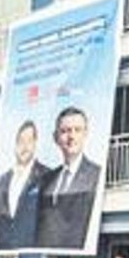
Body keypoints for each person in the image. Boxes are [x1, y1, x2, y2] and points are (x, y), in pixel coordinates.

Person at [35, 107, 102, 250]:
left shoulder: (97, 175)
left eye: (77, 130)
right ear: (56, 137)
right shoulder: (46, 179)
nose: (71, 137)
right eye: (65, 131)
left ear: (85, 134)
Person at [0, 120, 49, 250]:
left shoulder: (46, 175)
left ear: (35, 144)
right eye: (21, 141)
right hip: (4, 251)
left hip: (31, 249)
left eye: (29, 140)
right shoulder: (4, 179)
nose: (25, 146)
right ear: (15, 145)